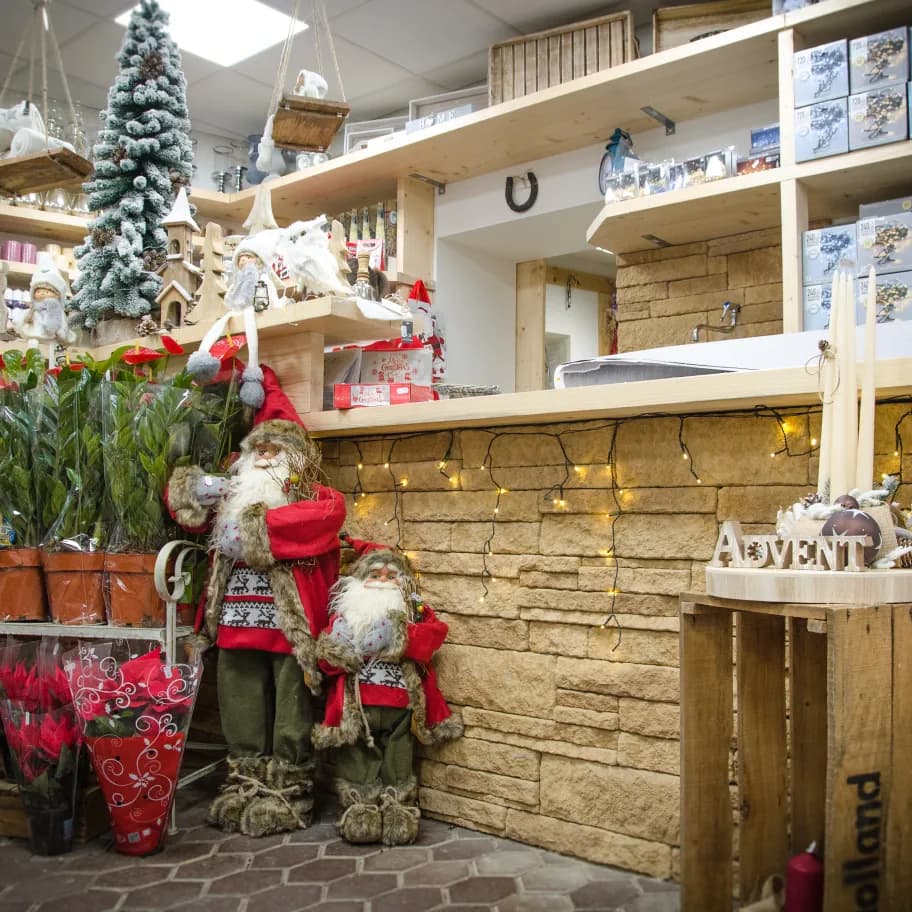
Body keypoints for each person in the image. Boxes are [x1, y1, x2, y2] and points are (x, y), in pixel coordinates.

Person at [165, 364, 345, 837]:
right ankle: (245, 781)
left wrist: (250, 527)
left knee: (291, 708)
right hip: (235, 622)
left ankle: (288, 791)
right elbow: (183, 512)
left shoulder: (317, 497)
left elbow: (317, 522)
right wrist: (195, 488)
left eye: (274, 449)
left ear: (296, 457)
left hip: (288, 629)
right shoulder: (233, 495)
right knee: (239, 701)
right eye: (258, 449)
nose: (264, 455)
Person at [313, 545, 462, 846]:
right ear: (359, 580)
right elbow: (325, 662)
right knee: (356, 755)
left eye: (390, 575)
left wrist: (398, 633)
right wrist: (339, 649)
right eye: (375, 574)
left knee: (399, 756)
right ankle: (361, 809)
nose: (382, 580)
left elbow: (433, 637)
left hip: (400, 703)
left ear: (402, 582)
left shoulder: (413, 611)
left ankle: (399, 808)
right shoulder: (344, 616)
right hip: (356, 706)